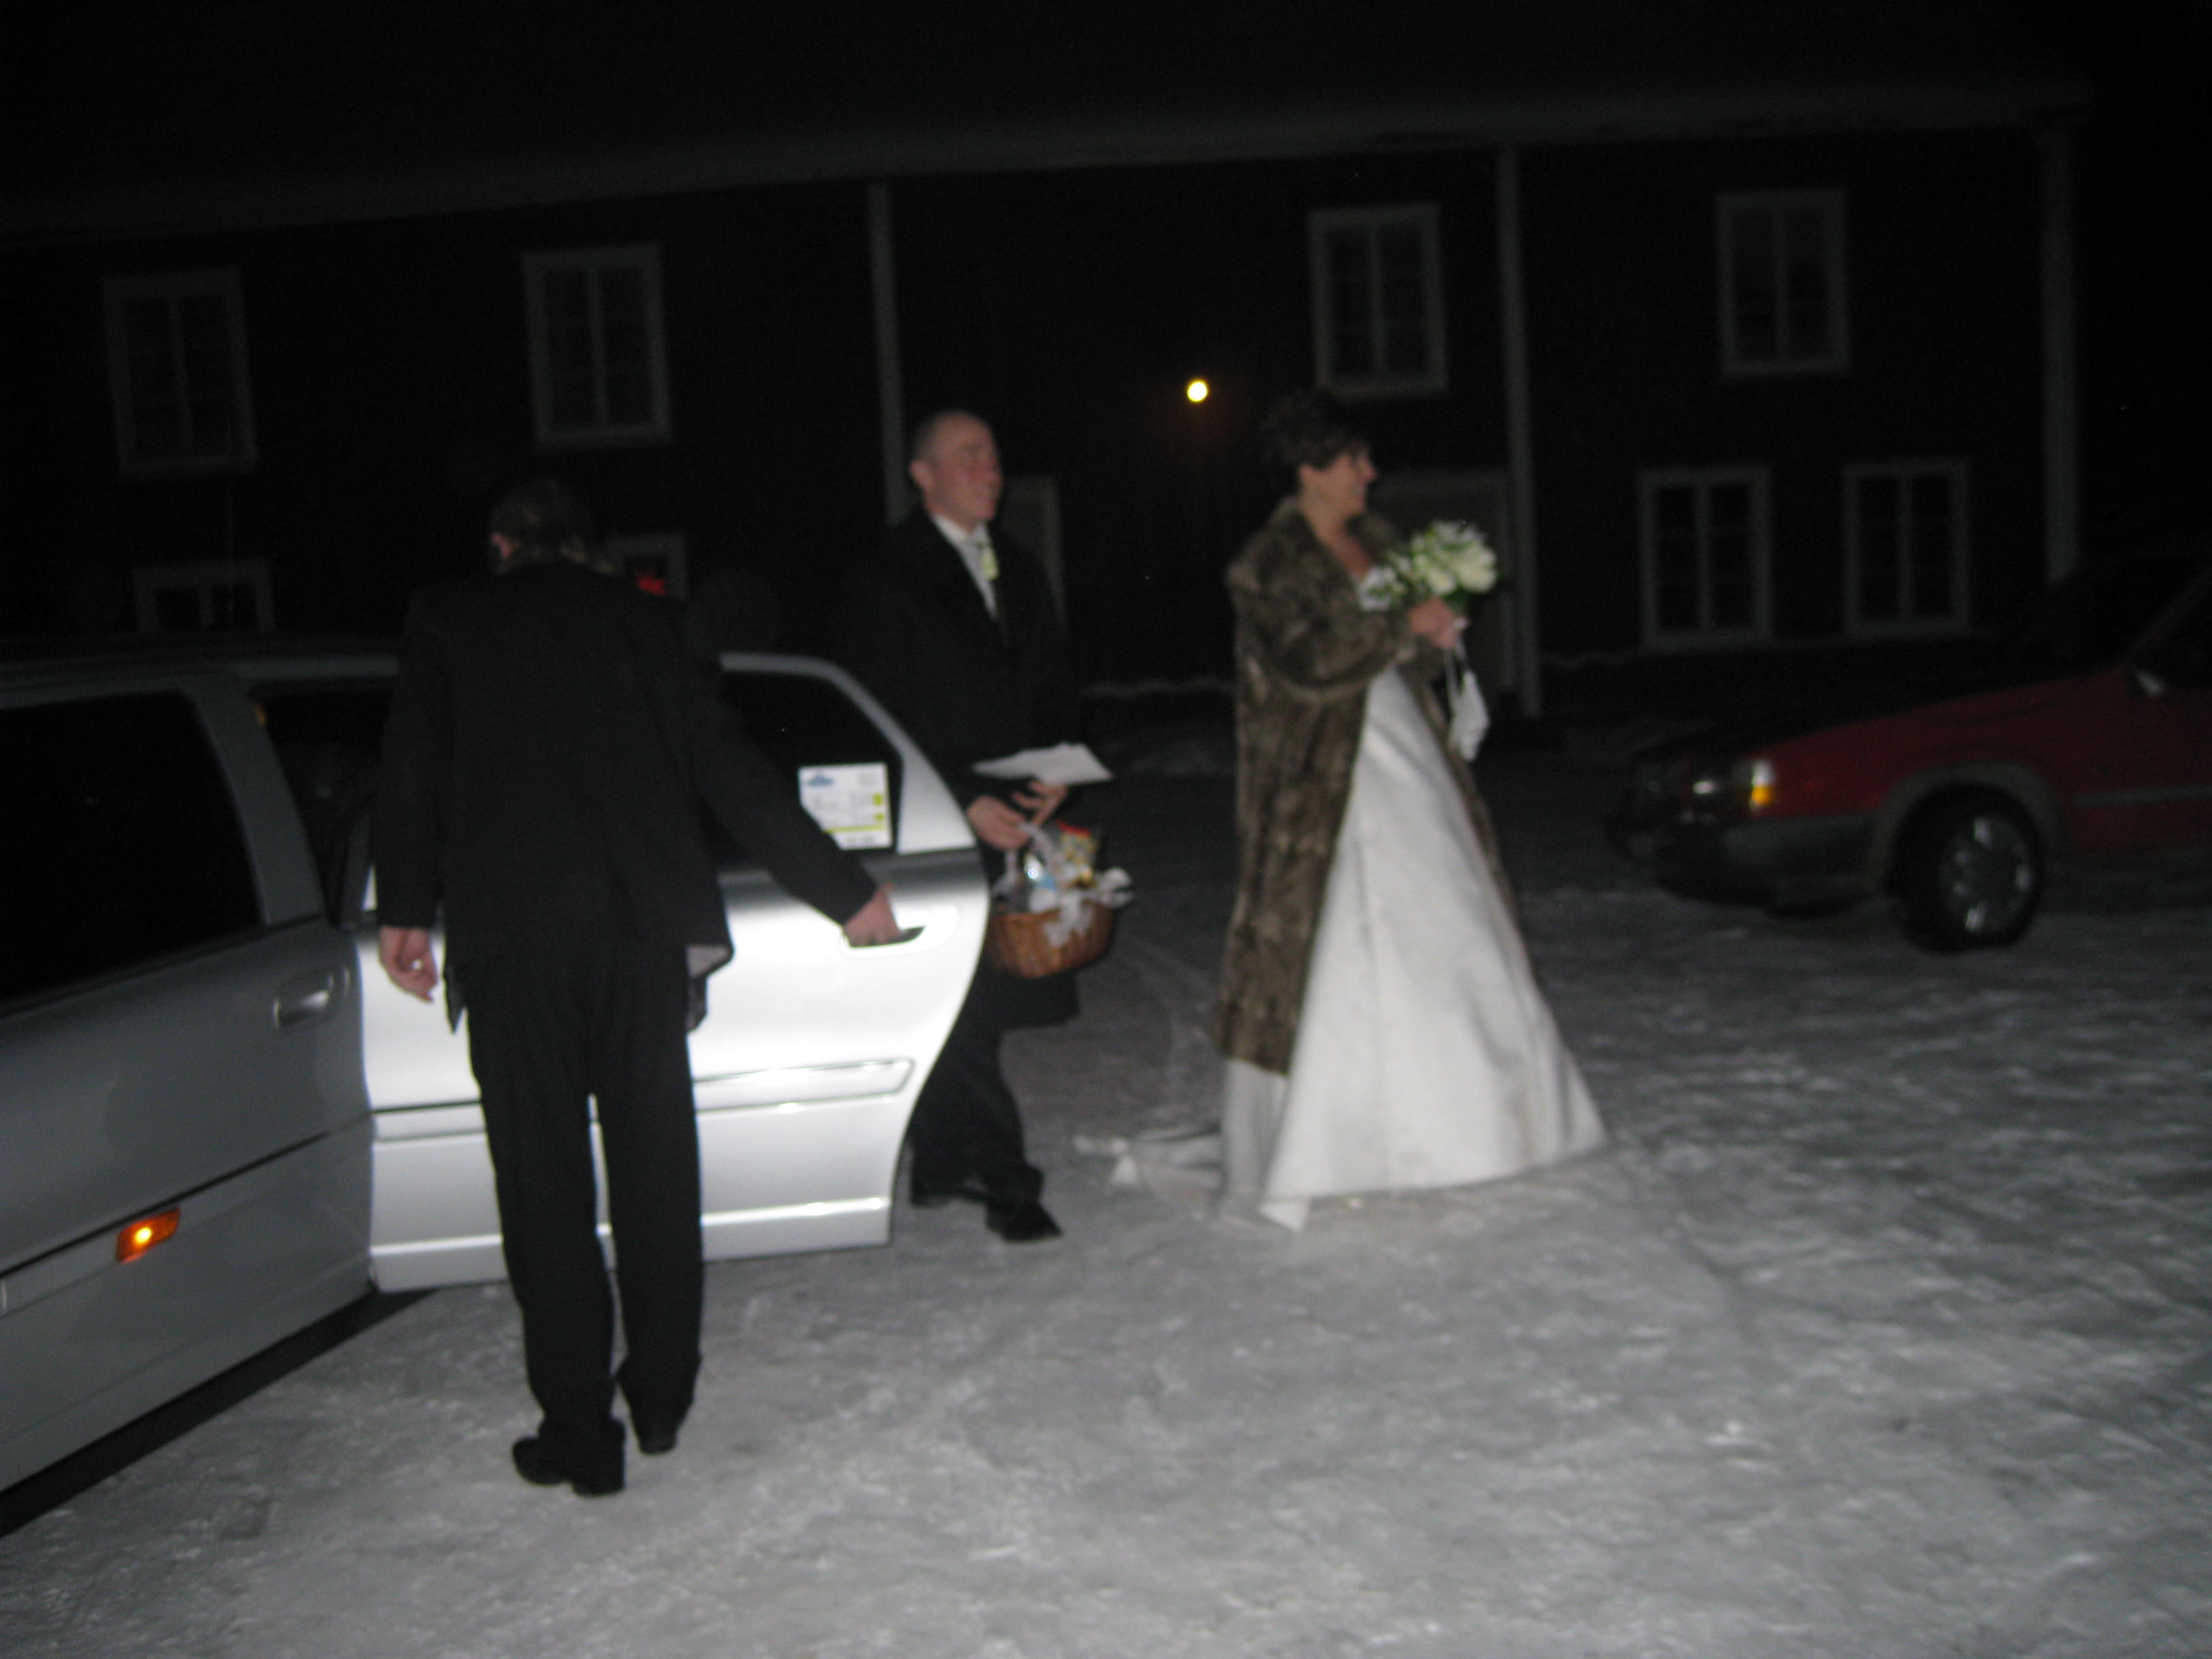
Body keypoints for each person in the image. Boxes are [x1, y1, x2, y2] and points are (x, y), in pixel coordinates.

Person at [373, 478, 899, 1497]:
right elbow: (729, 768)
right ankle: (661, 1398)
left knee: (544, 1190)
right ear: (588, 547)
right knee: (657, 1171)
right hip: (641, 935)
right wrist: (844, 892)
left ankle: (580, 1433)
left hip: (517, 941)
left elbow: (412, 768)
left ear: (501, 545)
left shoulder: (450, 618)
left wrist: (404, 907)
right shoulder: (654, 623)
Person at [1213, 392, 1604, 1231]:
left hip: (1405, 749)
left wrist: (1434, 639)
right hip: (1319, 777)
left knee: (1449, 914)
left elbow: (1403, 665)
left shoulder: (1381, 543)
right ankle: (1336, 1137)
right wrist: (1401, 627)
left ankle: (1484, 1122)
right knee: (1336, 939)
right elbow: (1308, 662)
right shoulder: (1266, 561)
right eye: (1354, 459)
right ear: (1311, 468)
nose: (1371, 472)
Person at [833, 409, 1082, 1244]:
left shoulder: (1017, 564)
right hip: (933, 816)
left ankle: (940, 1161)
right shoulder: (885, 574)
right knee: (963, 1001)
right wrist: (963, 796)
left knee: (984, 996)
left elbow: (1052, 684)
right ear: (924, 475)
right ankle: (1007, 1181)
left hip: (1017, 809)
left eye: (995, 456)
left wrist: (1059, 770)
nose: (991, 471)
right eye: (969, 456)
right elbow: (878, 710)